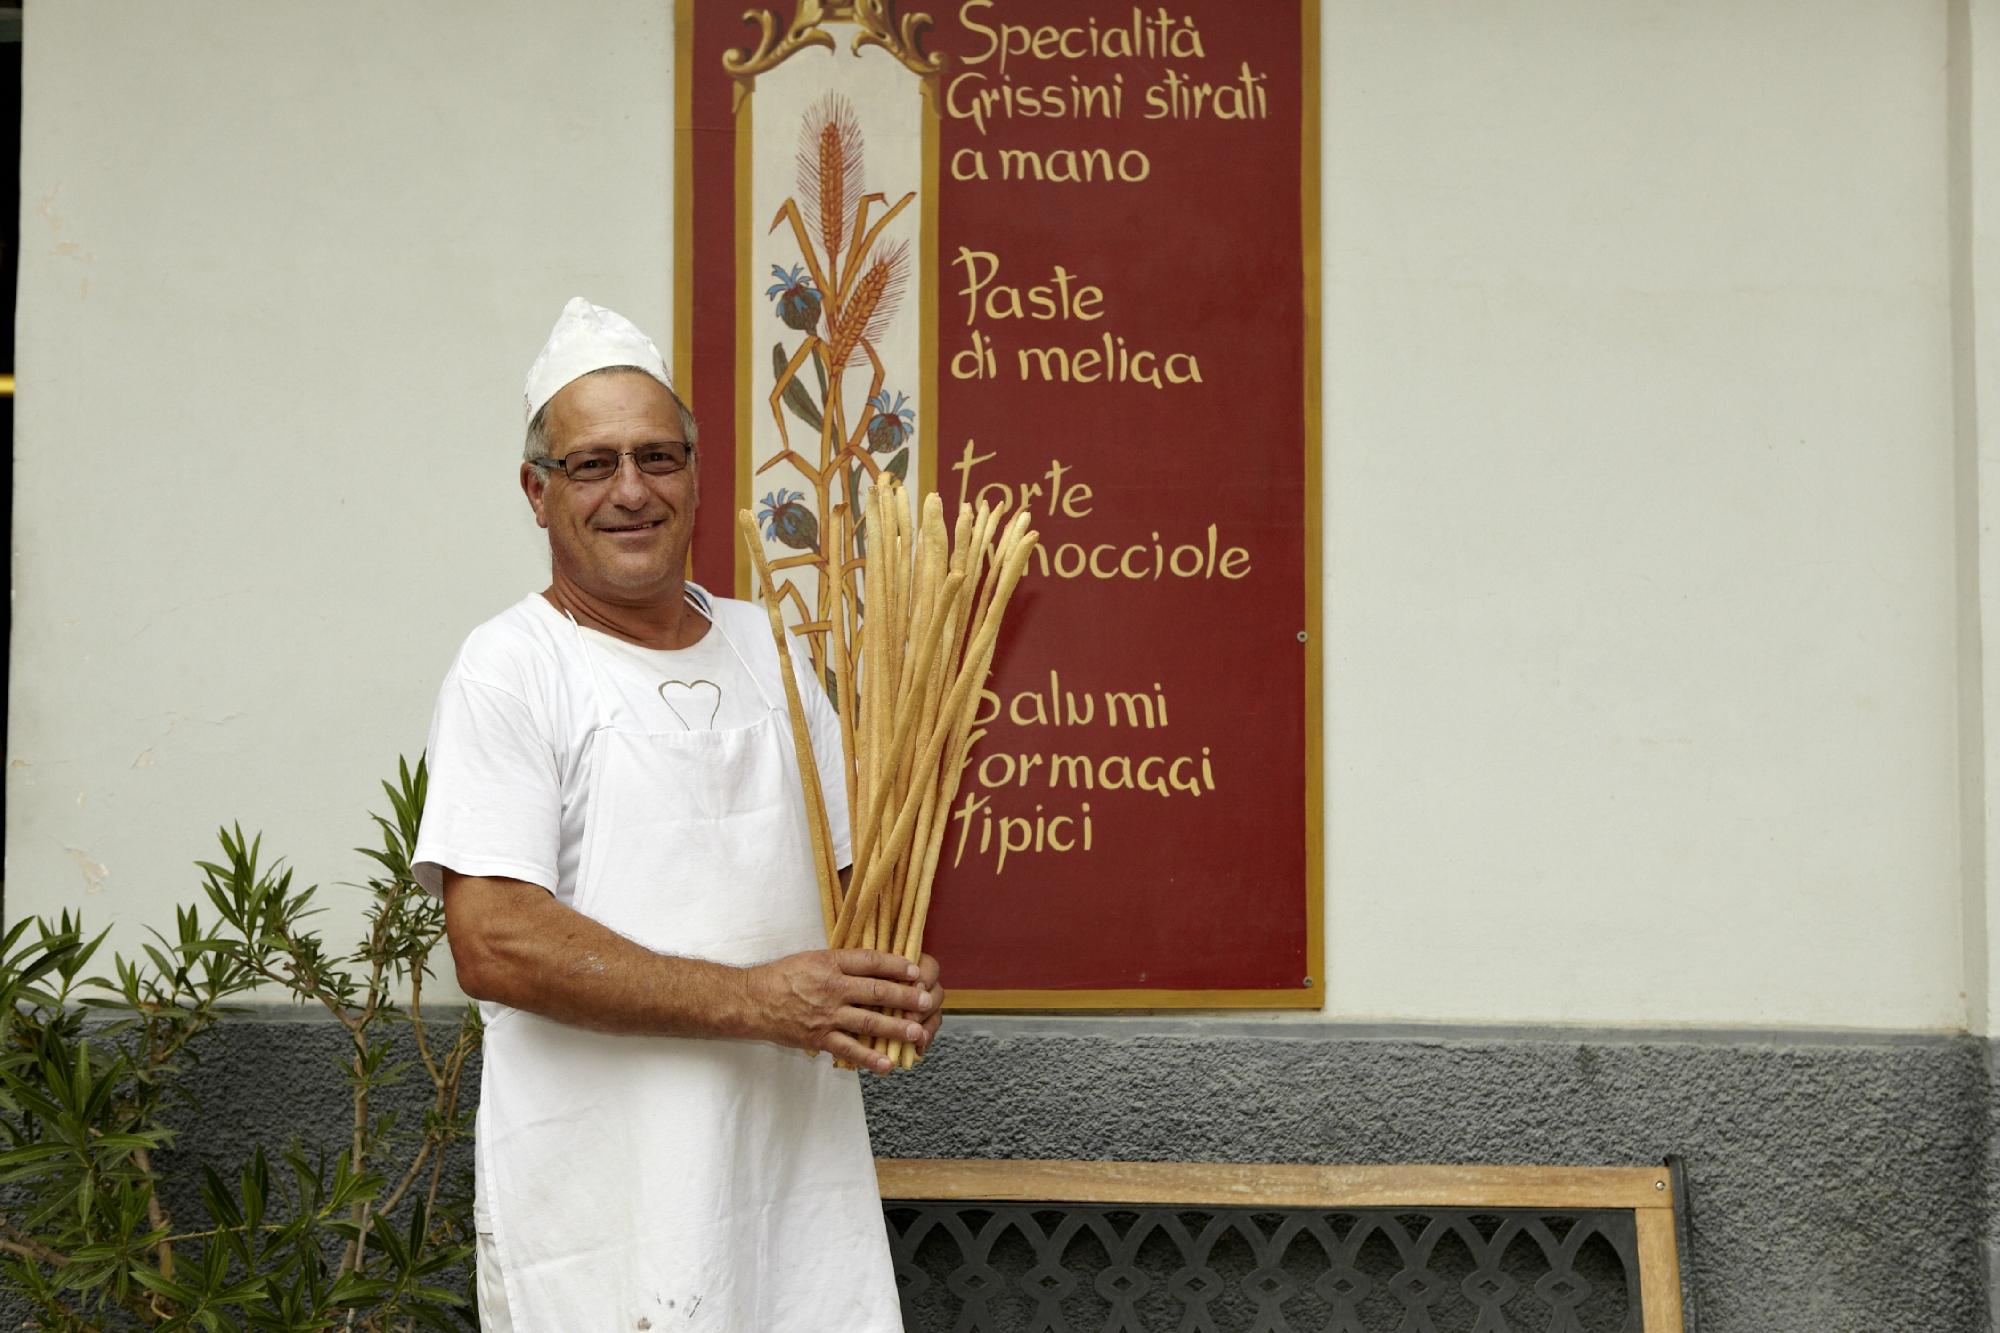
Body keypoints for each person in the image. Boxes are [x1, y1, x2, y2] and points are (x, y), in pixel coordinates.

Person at [412, 297, 937, 1331]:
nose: (629, 491)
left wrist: (885, 981)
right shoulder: (512, 667)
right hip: (607, 1204)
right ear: (536, 491)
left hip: (791, 1185)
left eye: (657, 457)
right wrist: (757, 1001)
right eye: (592, 464)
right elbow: (494, 941)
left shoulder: (769, 649)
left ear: (695, 476)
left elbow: (846, 896)